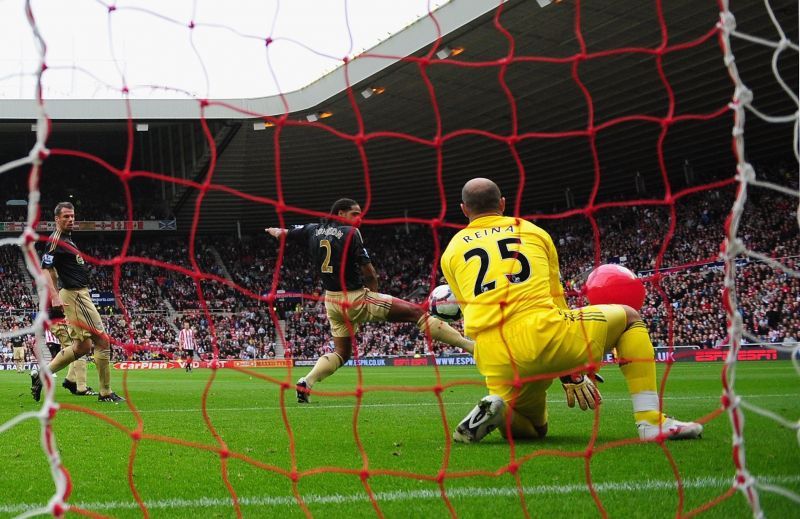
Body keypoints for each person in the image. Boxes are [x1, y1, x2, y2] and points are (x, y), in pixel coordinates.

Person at [441, 178, 703, 443]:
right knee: (629, 317)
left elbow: (468, 309)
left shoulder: (450, 252)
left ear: (463, 209)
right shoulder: (531, 232)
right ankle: (649, 420)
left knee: (535, 430)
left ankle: (498, 410)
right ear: (502, 203)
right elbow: (557, 298)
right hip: (546, 332)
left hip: (497, 356)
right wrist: (570, 369)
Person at [266, 198, 475, 403]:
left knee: (342, 353)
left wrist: (272, 230)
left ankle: (307, 381)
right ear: (340, 213)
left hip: (332, 301)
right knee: (416, 313)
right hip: (356, 298)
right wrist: (373, 295)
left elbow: (283, 234)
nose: (359, 219)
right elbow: (369, 272)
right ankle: (472, 348)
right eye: (354, 214)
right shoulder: (350, 233)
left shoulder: (312, 229)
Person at [30, 202, 124, 403]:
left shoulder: (67, 239)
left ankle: (42, 374)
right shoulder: (55, 240)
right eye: (66, 217)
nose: (70, 219)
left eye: (72, 216)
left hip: (77, 294)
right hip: (75, 294)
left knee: (82, 347)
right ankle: (105, 392)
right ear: (57, 219)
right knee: (102, 341)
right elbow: (45, 268)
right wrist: (54, 295)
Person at [45, 313, 96, 396]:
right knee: (79, 350)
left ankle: (70, 379)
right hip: (62, 321)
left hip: (58, 320)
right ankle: (81, 388)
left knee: (74, 353)